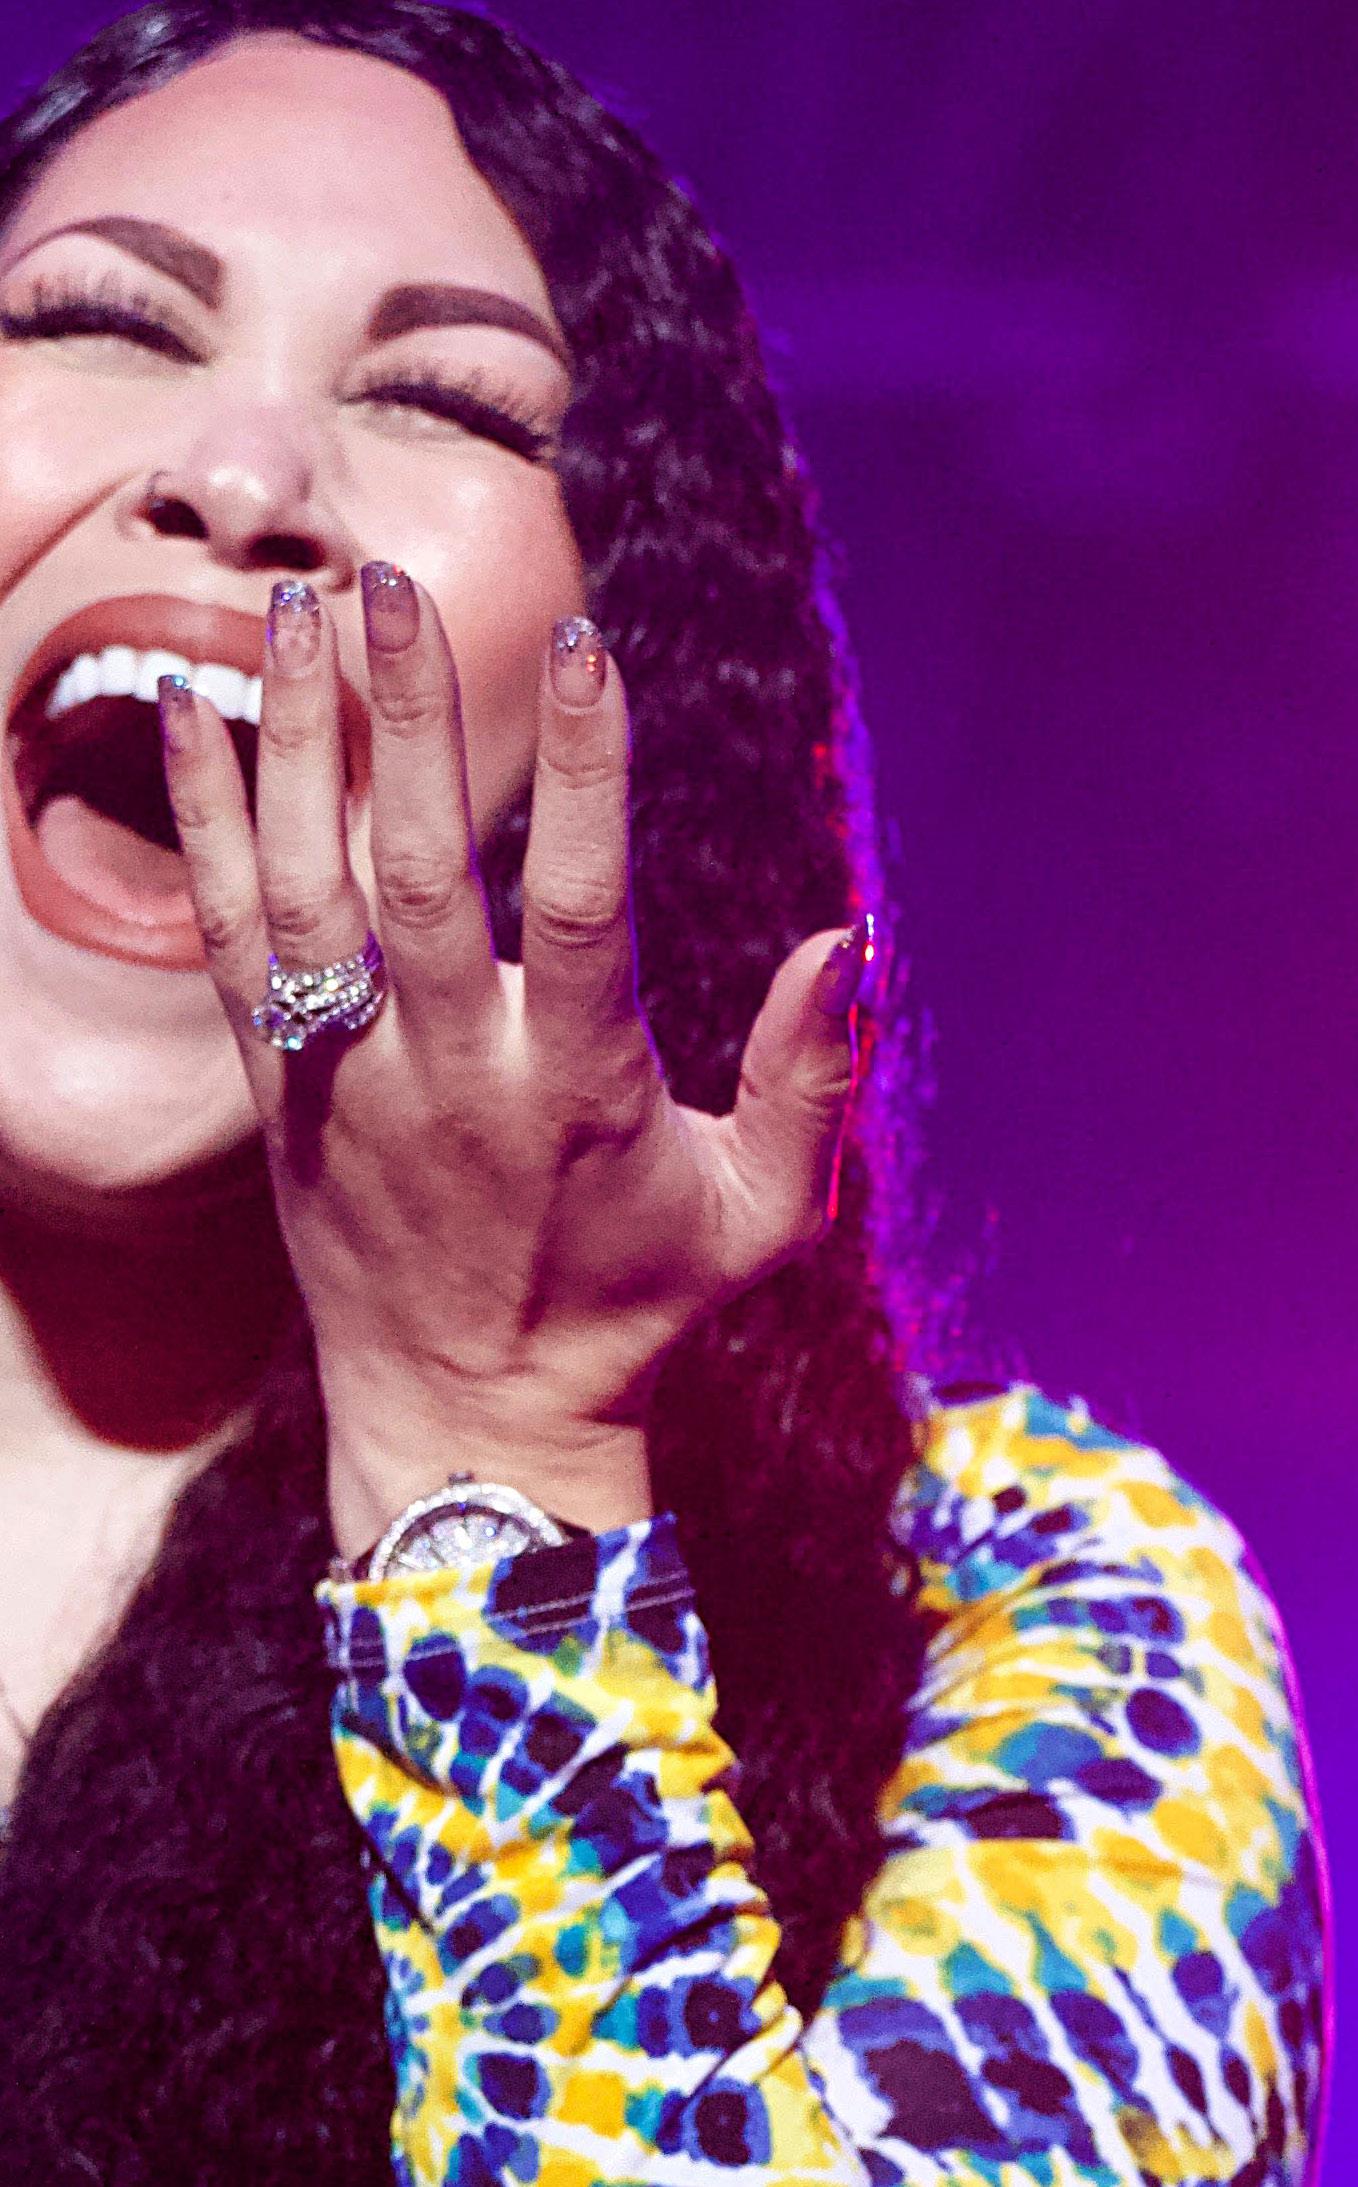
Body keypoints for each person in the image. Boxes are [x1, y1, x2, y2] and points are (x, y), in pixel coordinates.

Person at [0, 2, 1328, 2180]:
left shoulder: (1022, 1610)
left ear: (624, 680)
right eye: (98, 322)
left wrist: (488, 1454)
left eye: (441, 397)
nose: (240, 479)